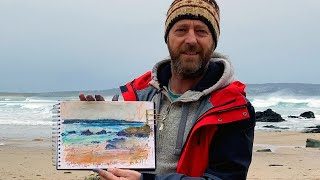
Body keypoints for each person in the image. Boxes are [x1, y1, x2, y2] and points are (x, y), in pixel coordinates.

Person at [80, 0, 256, 179]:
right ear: (167, 38)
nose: (191, 40)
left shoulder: (233, 108)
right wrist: (105, 135)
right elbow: (122, 164)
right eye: (181, 30)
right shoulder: (139, 96)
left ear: (214, 41)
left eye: (201, 31)